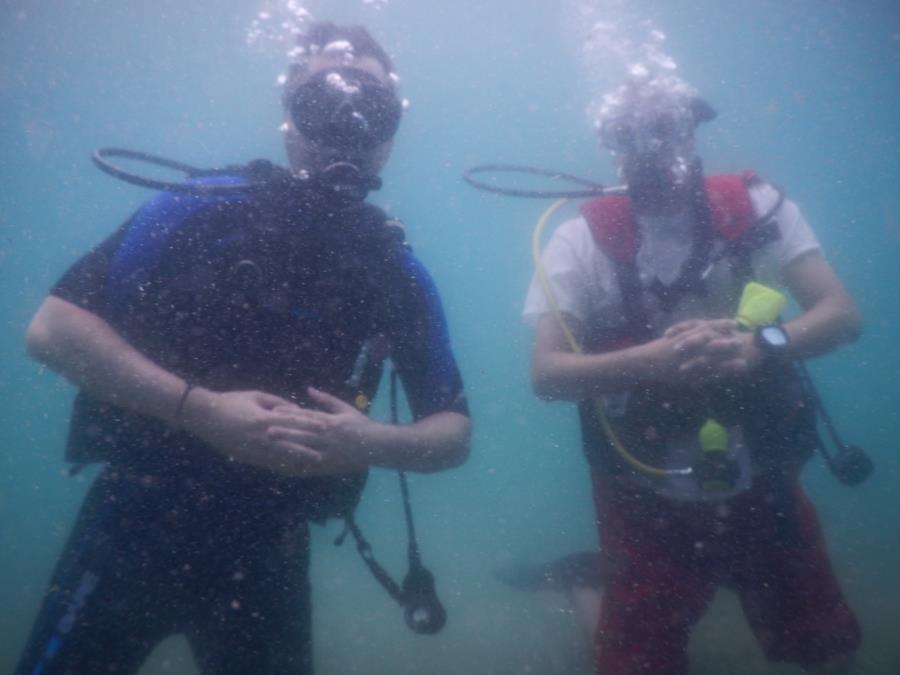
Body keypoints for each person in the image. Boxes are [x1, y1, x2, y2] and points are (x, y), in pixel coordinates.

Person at [16, 22, 470, 675]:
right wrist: (197, 409)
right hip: (133, 523)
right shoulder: (198, 209)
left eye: (370, 106)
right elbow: (53, 329)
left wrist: (369, 442)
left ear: (390, 137)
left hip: (268, 548)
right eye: (322, 101)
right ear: (288, 119)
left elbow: (453, 431)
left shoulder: (393, 270)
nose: (346, 120)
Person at [523, 74, 862, 674]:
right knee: (636, 661)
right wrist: (649, 364)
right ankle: (586, 586)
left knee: (820, 644)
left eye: (663, 127)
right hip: (640, 491)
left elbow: (841, 316)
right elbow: (546, 374)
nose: (648, 146)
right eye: (627, 133)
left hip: (765, 472)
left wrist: (763, 345)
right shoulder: (579, 242)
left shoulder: (758, 208)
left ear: (692, 127)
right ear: (609, 143)